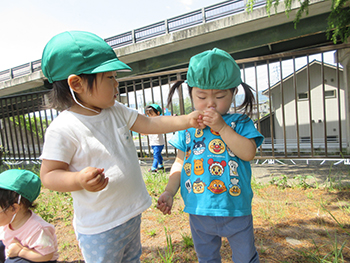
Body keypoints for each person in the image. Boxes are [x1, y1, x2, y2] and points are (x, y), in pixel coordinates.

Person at [39, 30, 205, 263]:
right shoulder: (64, 128)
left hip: (129, 215)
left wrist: (186, 120)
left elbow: (149, 123)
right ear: (77, 83)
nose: (117, 84)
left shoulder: (116, 110)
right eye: (110, 77)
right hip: (100, 226)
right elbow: (49, 175)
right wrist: (77, 180)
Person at [157, 48, 264, 263]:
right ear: (191, 94)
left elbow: (248, 153)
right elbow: (180, 161)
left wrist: (223, 128)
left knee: (245, 257)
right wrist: (169, 191)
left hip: (235, 208)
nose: (210, 103)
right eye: (202, 96)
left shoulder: (239, 123)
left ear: (233, 93)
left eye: (220, 96)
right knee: (206, 257)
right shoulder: (187, 127)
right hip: (199, 208)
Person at [0, 169, 59, 263]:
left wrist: (21, 252)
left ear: (14, 209)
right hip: (12, 250)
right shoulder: (6, 221)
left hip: (39, 258)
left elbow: (47, 255)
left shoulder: (37, 229)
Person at [145, 104, 165, 172]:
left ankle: (154, 167)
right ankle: (161, 165)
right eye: (148, 115)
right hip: (153, 142)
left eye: (151, 114)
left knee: (156, 155)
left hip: (158, 142)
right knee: (158, 154)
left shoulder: (159, 121)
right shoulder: (150, 122)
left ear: (158, 113)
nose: (149, 116)